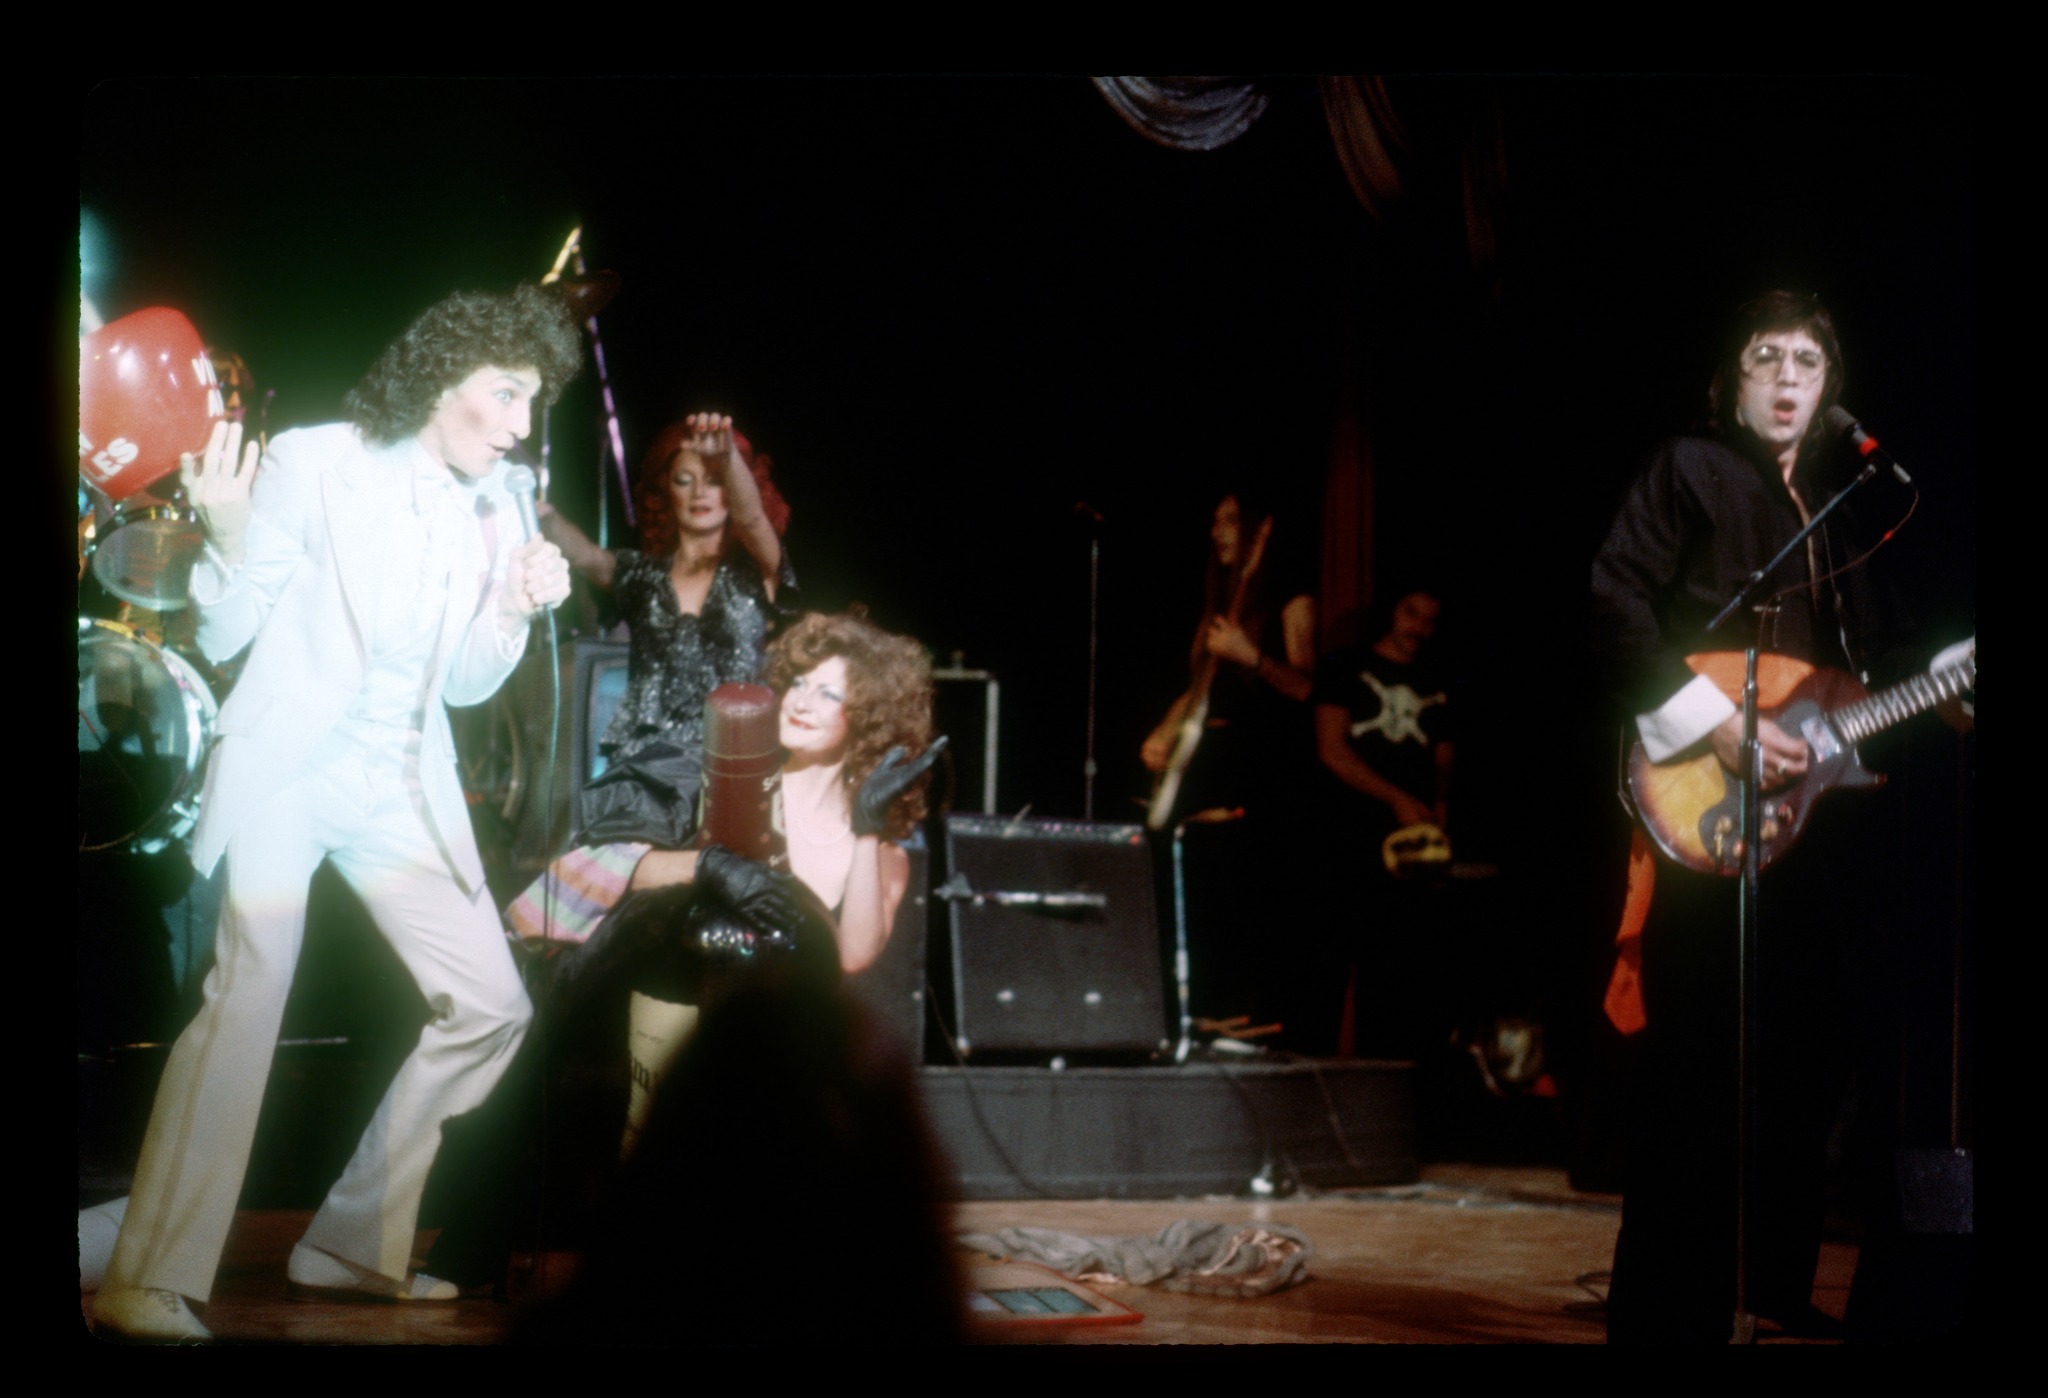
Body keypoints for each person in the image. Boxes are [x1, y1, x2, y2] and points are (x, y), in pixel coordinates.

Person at [90, 284, 583, 1343]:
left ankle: (351, 1243)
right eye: (504, 395)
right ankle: (148, 1274)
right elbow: (226, 630)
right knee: (252, 983)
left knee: (492, 1004)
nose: (516, 425)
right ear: (444, 372)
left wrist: (510, 601)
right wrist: (223, 532)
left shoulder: (500, 497)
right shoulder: (320, 459)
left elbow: (461, 684)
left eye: (529, 404)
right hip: (293, 765)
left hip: (401, 781)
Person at [1589, 290, 1968, 1343]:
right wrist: (1715, 727)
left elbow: (1878, 668)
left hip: (1817, 820)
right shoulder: (1686, 468)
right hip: (1710, 803)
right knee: (1694, 1062)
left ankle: (1769, 1281)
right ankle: (1665, 1307)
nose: (1789, 376)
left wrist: (1943, 687)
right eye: (1766, 358)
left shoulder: (1851, 507)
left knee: (1809, 1063)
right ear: (1729, 384)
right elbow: (1610, 599)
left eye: (1807, 360)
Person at [423, 610, 942, 1288]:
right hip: (657, 990)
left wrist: (870, 831)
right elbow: (617, 865)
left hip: (755, 1028)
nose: (804, 702)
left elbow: (850, 957)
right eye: (801, 683)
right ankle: (480, 1238)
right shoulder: (714, 771)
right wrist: (704, 866)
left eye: (830, 694)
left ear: (866, 718)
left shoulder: (872, 840)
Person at [1139, 489, 1317, 1038]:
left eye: (1232, 521)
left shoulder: (1291, 602)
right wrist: (1164, 729)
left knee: (1240, 890)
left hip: (1255, 762)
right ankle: (1193, 1008)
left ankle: (1243, 1011)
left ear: (1260, 531)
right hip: (1204, 760)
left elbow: (1306, 687)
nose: (1218, 531)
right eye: (1215, 520)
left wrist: (1254, 658)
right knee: (1187, 879)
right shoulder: (1217, 609)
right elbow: (1201, 687)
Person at [542, 411, 795, 769]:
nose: (700, 493)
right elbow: (588, 558)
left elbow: (753, 518)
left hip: (734, 762)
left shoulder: (757, 570)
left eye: (715, 480)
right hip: (644, 766)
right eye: (683, 480)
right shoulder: (642, 574)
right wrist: (544, 517)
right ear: (665, 492)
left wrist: (728, 459)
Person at [1294, 586, 1457, 1058]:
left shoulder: (1438, 681)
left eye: (1430, 619)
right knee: (1325, 966)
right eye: (1411, 613)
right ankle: (1309, 1082)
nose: (1418, 628)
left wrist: (1437, 819)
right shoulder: (1343, 667)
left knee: (1395, 973)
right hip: (1343, 838)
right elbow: (1332, 748)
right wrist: (1396, 799)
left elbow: (1444, 762)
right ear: (1392, 610)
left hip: (1408, 850)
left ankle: (1382, 1092)